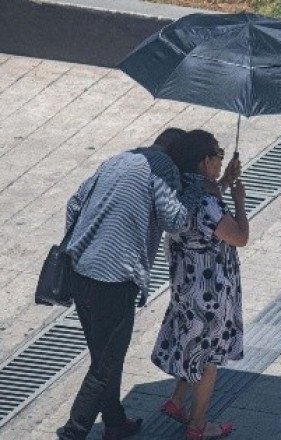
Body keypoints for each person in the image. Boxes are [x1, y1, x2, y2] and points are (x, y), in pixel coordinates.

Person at [57, 128, 189, 440]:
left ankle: (114, 422)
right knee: (105, 365)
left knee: (103, 355)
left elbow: (74, 204)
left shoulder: (119, 159)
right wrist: (190, 190)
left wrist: (81, 245)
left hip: (80, 269)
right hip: (114, 279)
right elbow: (176, 221)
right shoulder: (163, 167)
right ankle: (73, 432)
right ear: (177, 154)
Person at [151, 130, 248, 440]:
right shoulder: (208, 203)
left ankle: (177, 400)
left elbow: (201, 205)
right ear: (205, 161)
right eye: (218, 155)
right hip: (211, 294)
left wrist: (224, 182)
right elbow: (239, 237)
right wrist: (239, 202)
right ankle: (198, 425)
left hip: (186, 287)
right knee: (208, 360)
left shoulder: (178, 192)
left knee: (192, 345)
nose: (220, 160)